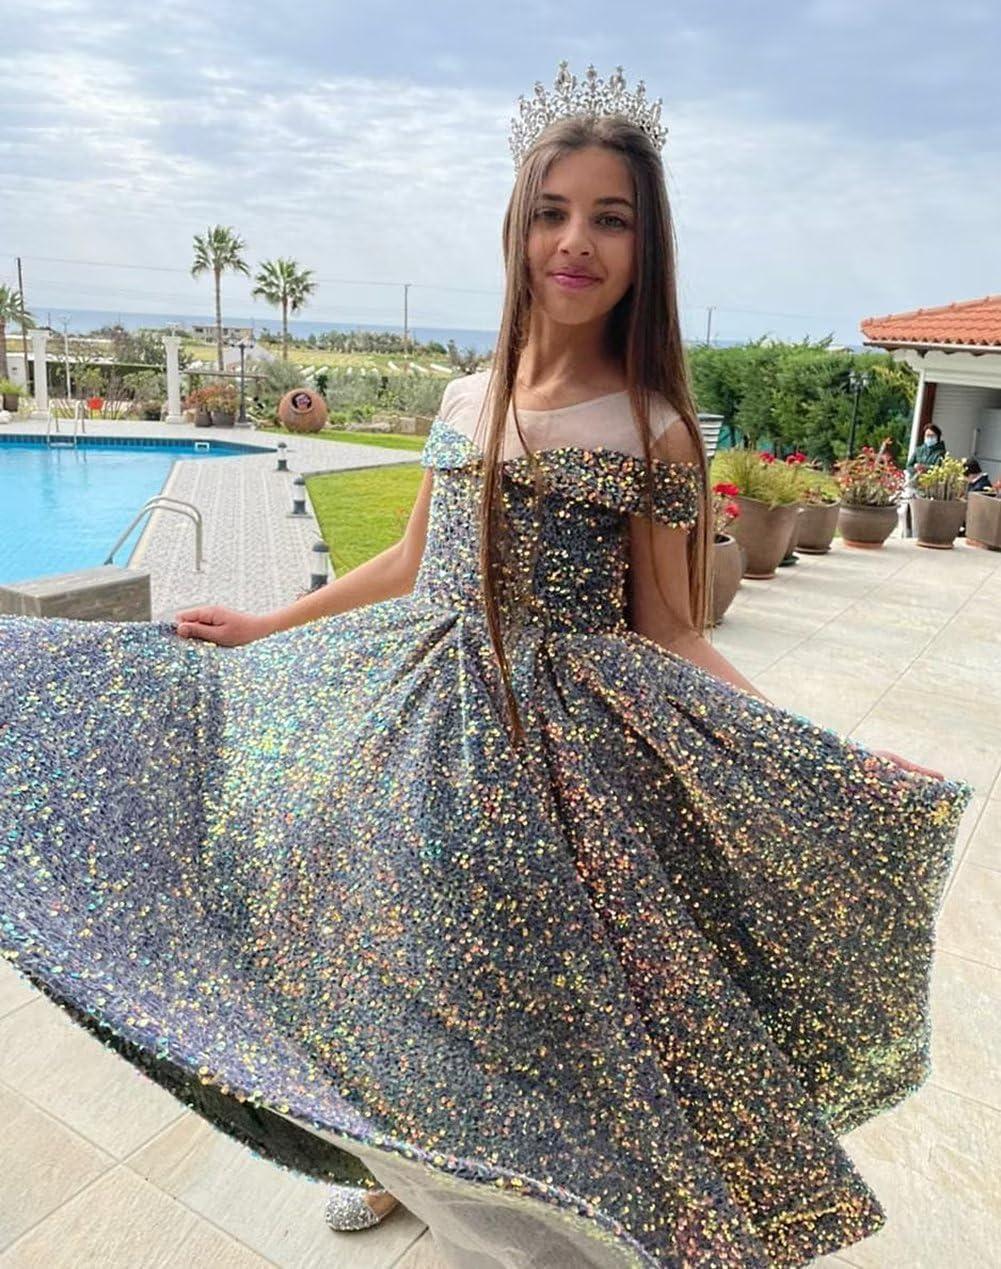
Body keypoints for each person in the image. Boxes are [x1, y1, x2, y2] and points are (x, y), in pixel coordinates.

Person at [0, 62, 976, 1268]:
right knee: (379, 954)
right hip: (412, 713)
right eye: (551, 212)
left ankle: (509, 1196)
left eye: (610, 218)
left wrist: (817, 754)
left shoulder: (654, 425)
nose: (575, 242)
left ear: (646, 247)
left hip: (555, 757)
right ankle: (398, 1165)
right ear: (516, 229)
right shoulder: (468, 396)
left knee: (510, 993)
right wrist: (266, 627)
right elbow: (413, 560)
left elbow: (673, 630)